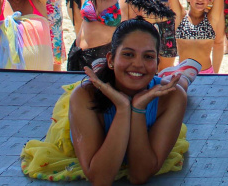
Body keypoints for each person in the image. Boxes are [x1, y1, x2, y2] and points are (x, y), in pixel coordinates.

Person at [21, 18, 196, 183]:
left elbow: (139, 176)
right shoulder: (84, 96)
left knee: (178, 85)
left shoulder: (173, 96)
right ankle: (107, 68)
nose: (138, 64)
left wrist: (138, 109)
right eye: (128, 54)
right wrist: (122, 108)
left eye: (148, 57)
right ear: (111, 59)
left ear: (157, 63)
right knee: (152, 80)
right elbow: (100, 178)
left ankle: (182, 75)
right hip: (104, 87)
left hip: (151, 84)